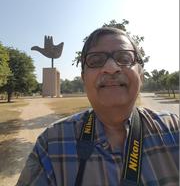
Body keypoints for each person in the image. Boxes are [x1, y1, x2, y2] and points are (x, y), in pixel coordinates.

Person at [17, 27, 179, 186]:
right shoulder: (51, 144)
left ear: (141, 76)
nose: (110, 68)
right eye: (95, 61)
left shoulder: (174, 130)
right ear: (84, 79)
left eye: (124, 58)